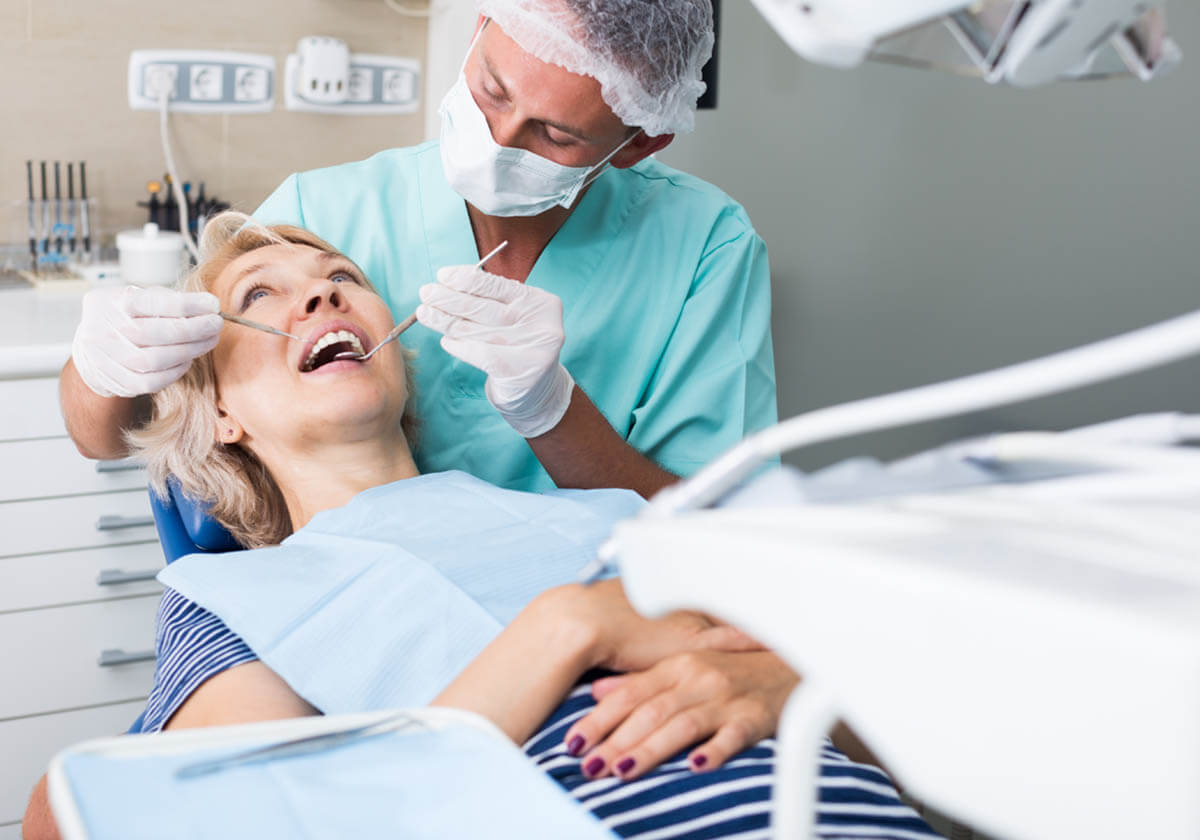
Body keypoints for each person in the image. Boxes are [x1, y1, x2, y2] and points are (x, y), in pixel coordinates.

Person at [26, 218, 933, 840]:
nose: (323, 299)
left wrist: (793, 685)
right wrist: (564, 630)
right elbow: (265, 819)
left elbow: (916, 715)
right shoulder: (230, 596)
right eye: (262, 296)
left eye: (343, 281)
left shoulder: (607, 513)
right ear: (220, 412)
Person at [60, 0, 777, 501]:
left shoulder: (705, 246)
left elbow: (704, 527)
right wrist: (102, 370)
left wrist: (551, 410)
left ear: (639, 143)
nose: (499, 139)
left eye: (555, 135)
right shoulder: (324, 212)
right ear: (478, 29)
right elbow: (110, 438)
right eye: (491, 90)